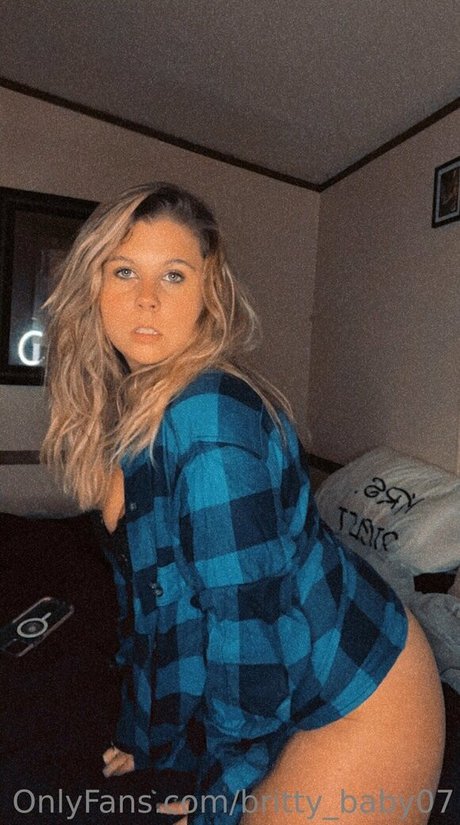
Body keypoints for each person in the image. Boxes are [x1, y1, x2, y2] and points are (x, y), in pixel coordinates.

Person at [40, 182, 444, 825]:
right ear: (94, 286)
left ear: (209, 293)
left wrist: (223, 791)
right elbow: (156, 604)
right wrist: (151, 739)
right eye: (124, 271)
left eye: (174, 275)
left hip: (352, 691)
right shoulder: (129, 409)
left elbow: (243, 623)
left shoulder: (209, 416)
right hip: (281, 678)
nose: (146, 298)